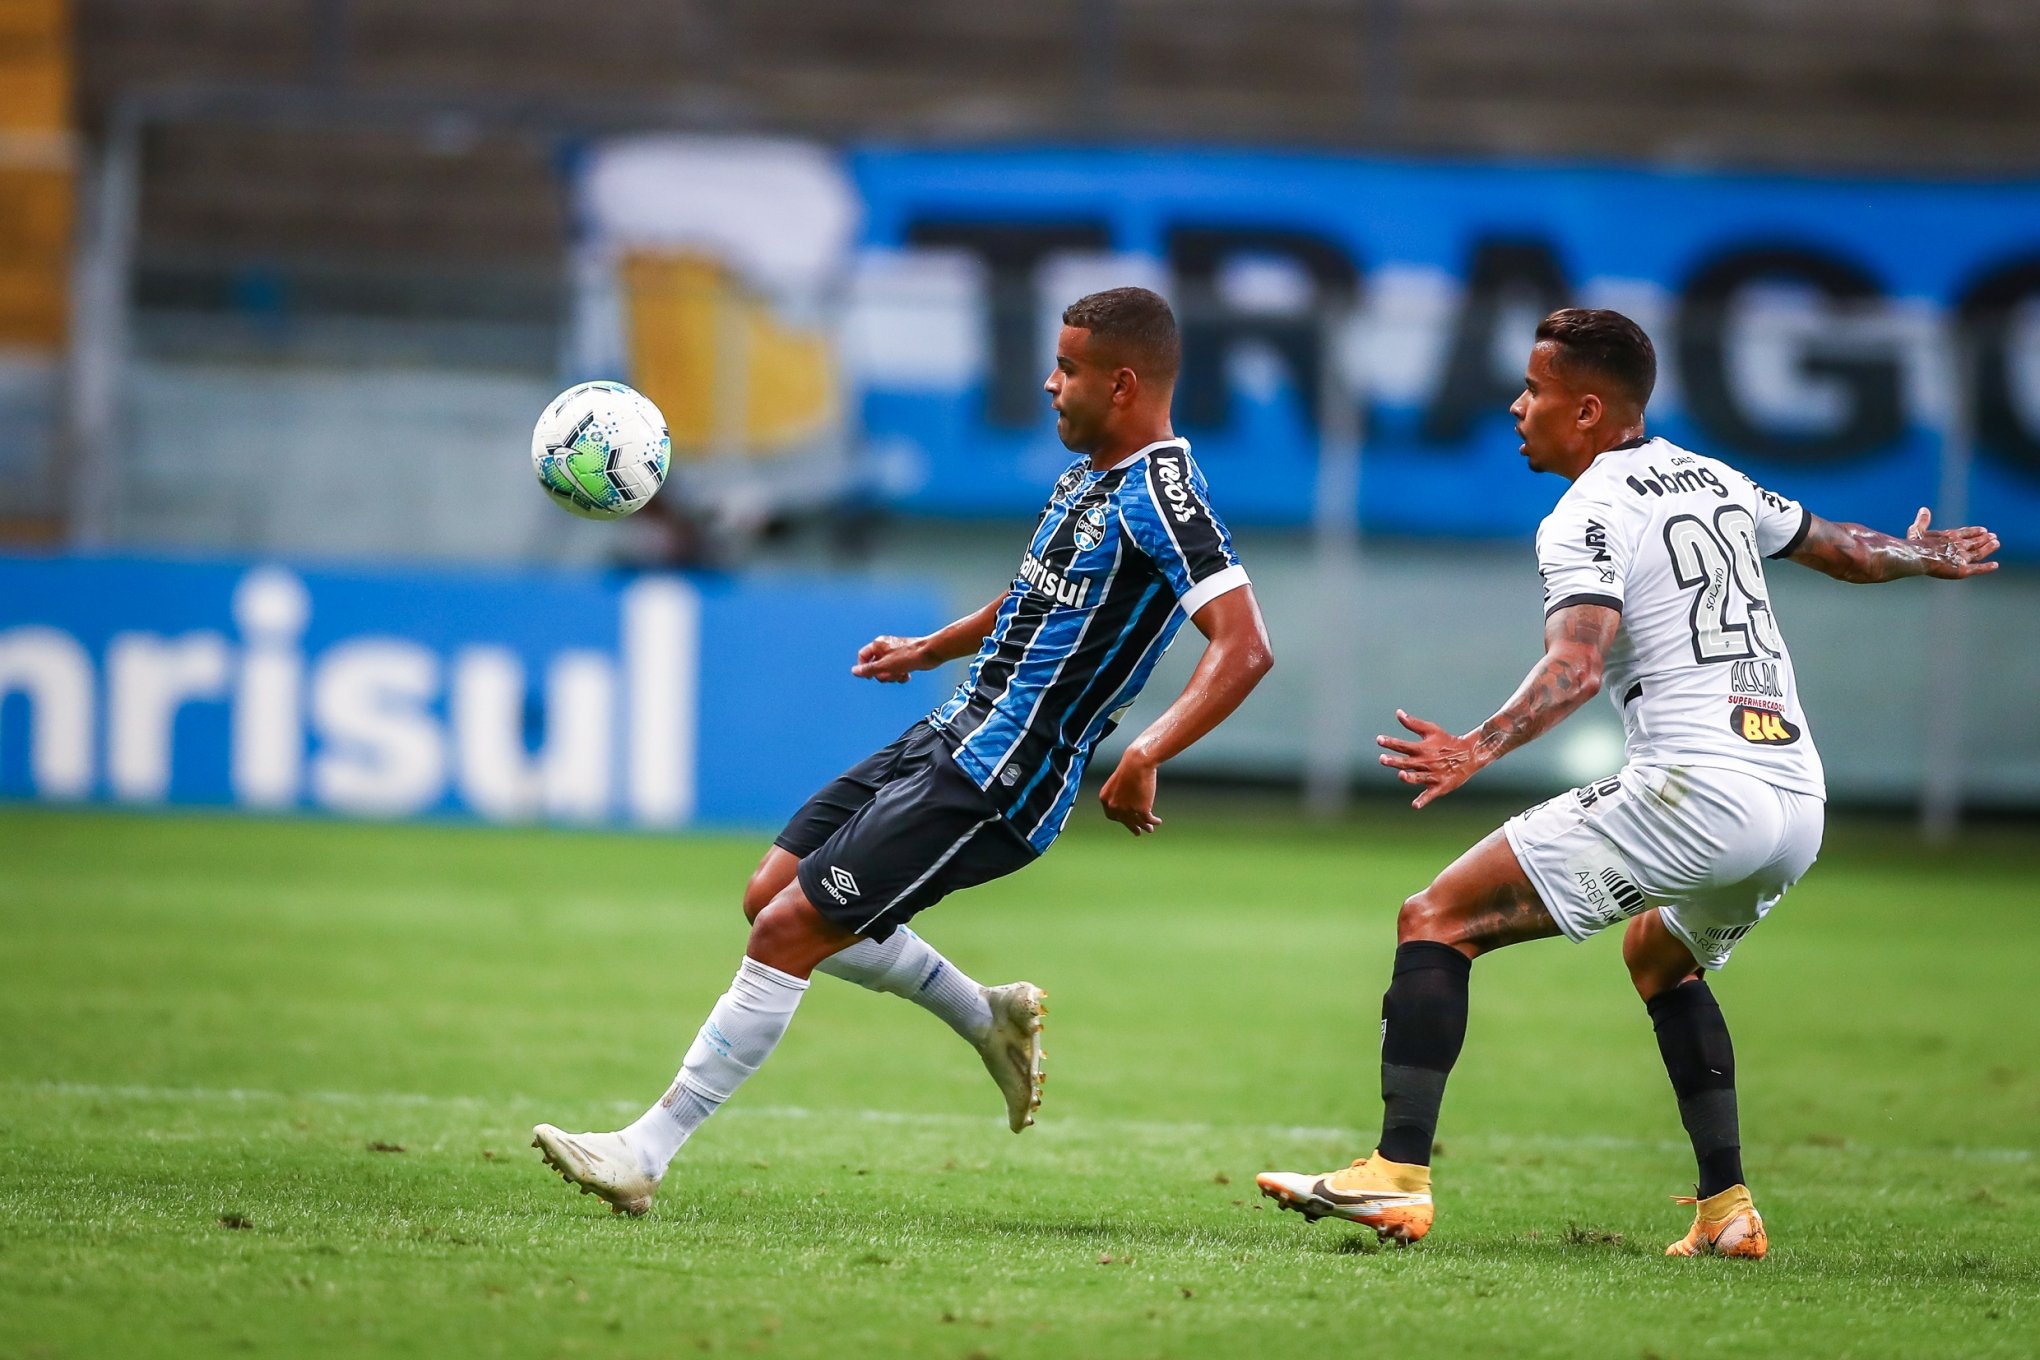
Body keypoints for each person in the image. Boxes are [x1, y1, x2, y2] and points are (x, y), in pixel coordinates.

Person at [1256, 307, 2000, 1257]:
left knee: (1435, 917)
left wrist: (1475, 747)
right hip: (1797, 799)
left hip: (1699, 788)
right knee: (1661, 958)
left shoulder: (1586, 513)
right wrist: (1923, 553)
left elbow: (1574, 668)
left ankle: (1396, 1176)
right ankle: (1727, 1208)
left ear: (1591, 408)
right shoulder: (1712, 474)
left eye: (1536, 391)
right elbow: (1849, 549)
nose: (1518, 406)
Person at [534, 286, 1274, 1215]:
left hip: (1003, 779)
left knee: (787, 933)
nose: (1050, 384)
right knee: (769, 893)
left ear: (1123, 384)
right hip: (949, 732)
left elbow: (1244, 645)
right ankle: (985, 1014)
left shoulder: (1164, 496)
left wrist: (1148, 750)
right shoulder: (1090, 475)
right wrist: (931, 648)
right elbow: (1037, 598)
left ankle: (646, 1151)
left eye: (1069, 370)